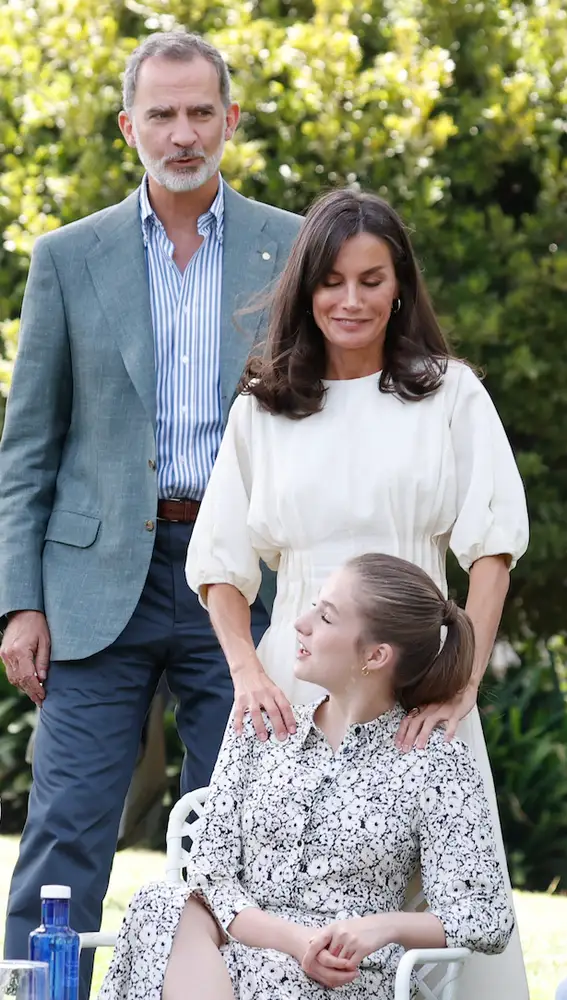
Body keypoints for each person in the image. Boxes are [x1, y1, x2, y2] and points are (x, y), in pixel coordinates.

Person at [0, 30, 301, 999]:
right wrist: (19, 601)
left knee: (244, 835)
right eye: (161, 115)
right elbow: (28, 448)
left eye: (200, 113)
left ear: (231, 121)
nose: (182, 134)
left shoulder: (293, 250)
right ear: (129, 126)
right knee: (68, 828)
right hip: (92, 588)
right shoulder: (66, 257)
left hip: (243, 585)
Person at [185, 188, 530, 997]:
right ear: (306, 288)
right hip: (293, 674)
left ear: (400, 284)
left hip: (419, 679)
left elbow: (492, 550)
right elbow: (220, 566)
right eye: (332, 280)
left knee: (442, 888)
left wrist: (464, 687)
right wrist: (247, 671)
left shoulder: (450, 395)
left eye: (371, 280)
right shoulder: (262, 409)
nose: (350, 300)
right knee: (274, 883)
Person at [98, 553, 514, 1000]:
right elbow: (208, 878)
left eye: (326, 616)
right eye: (313, 606)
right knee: (160, 903)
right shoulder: (259, 731)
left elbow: (486, 915)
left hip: (341, 979)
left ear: (376, 655)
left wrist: (380, 928)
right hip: (226, 968)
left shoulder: (436, 762)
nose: (301, 622)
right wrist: (296, 942)